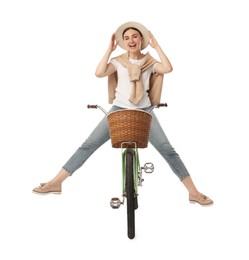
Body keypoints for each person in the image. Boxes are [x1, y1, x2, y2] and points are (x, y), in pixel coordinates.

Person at [33, 21, 213, 206]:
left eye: (134, 36)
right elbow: (99, 73)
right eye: (126, 38)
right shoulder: (117, 62)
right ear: (122, 42)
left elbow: (167, 68)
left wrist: (157, 46)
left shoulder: (150, 62)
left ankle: (193, 192)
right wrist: (109, 50)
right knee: (88, 145)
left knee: (168, 151)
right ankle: (56, 183)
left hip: (144, 111)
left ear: (141, 39)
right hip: (118, 110)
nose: (130, 40)